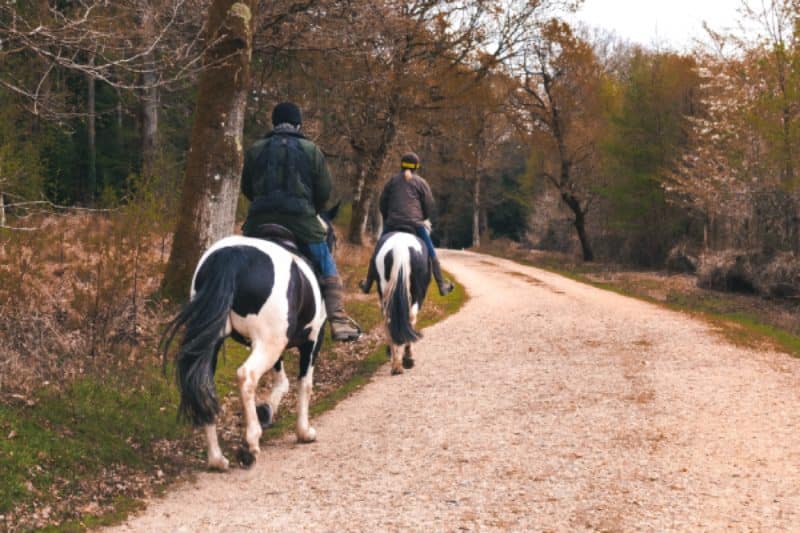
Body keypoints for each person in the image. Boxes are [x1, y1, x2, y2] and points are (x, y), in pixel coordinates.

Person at [240, 101, 361, 342]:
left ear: (274, 123)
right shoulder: (311, 150)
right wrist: (311, 210)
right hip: (301, 221)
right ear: (298, 124)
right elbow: (324, 191)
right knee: (326, 262)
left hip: (258, 221)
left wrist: (263, 205)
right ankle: (337, 318)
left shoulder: (256, 149)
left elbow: (247, 188)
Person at [359, 152, 454, 296]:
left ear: (401, 165)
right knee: (431, 252)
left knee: (377, 250)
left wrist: (388, 218)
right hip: (415, 225)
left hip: (393, 223)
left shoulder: (392, 181)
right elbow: (429, 205)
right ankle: (441, 285)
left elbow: (382, 203)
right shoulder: (421, 183)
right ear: (416, 166)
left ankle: (367, 284)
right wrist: (422, 217)